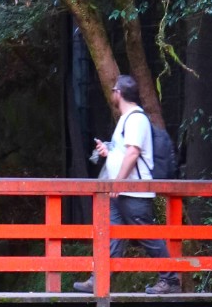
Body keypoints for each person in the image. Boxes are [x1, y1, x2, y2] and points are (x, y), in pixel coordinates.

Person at [74, 75, 180, 293]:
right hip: (122, 190)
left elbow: (133, 153)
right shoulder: (126, 119)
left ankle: (170, 280)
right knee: (111, 233)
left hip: (133, 191)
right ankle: (99, 278)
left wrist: (117, 183)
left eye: (114, 90)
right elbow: (124, 150)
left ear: (118, 93)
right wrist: (108, 150)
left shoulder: (136, 119)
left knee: (146, 235)